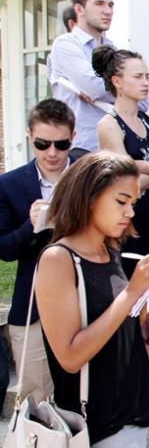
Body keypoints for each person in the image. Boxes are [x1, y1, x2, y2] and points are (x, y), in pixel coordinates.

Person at [34, 151, 149, 448]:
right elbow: (69, 357)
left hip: (146, 411)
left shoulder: (110, 250)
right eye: (121, 201)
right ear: (89, 197)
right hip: (105, 425)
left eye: (133, 203)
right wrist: (132, 292)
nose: (130, 212)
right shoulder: (59, 259)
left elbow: (121, 329)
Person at [93, 45, 149, 395]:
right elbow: (124, 179)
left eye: (147, 75)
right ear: (117, 81)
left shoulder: (148, 120)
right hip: (130, 223)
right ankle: (132, 374)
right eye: (138, 76)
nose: (146, 82)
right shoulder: (108, 124)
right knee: (133, 299)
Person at [0, 98, 75, 402]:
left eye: (61, 144)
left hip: (84, 301)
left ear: (74, 137)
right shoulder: (10, 184)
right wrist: (32, 226)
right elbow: (4, 249)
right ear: (30, 135)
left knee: (88, 395)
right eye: (43, 144)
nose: (52, 153)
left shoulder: (90, 178)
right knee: (36, 402)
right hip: (31, 306)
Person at [47, 0, 148, 159]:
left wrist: (104, 93)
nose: (108, 11)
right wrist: (122, 93)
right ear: (79, 9)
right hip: (83, 147)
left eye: (110, 5)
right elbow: (94, 87)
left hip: (118, 145)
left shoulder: (113, 50)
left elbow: (143, 102)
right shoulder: (66, 44)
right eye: (99, 4)